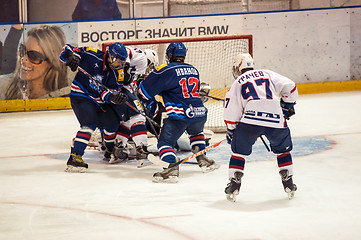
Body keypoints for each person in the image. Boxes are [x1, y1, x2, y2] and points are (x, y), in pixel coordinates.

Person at [138, 42, 220, 183]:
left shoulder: (164, 69)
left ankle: (171, 166)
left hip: (180, 115)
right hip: (200, 113)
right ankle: (203, 158)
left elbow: (143, 92)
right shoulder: (193, 69)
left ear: (169, 55)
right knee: (196, 133)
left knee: (165, 142)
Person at [223, 53, 298, 202]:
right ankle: (288, 180)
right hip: (275, 119)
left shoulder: (238, 81)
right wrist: (288, 105)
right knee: (283, 151)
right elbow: (290, 86)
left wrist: (232, 130)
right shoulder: (267, 73)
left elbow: (232, 109)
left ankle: (234, 183)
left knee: (238, 152)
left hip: (250, 121)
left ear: (238, 68)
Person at [59, 42, 128, 172]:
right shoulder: (92, 55)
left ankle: (109, 150)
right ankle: (75, 157)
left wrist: (113, 97)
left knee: (112, 125)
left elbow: (110, 92)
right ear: (111, 57)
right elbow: (66, 49)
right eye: (118, 61)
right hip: (81, 95)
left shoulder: (118, 73)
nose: (120, 64)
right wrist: (70, 55)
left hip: (99, 101)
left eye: (122, 62)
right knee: (89, 124)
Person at [1, 25, 69, 100]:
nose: (23, 59)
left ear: (52, 62)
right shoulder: (4, 86)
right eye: (22, 50)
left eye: (34, 56)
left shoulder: (64, 95)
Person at [110, 45, 150, 165]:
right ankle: (142, 150)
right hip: (119, 91)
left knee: (127, 120)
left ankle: (118, 149)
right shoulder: (133, 55)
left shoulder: (140, 62)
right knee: (139, 116)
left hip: (120, 92)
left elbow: (131, 82)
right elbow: (124, 55)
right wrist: (125, 67)